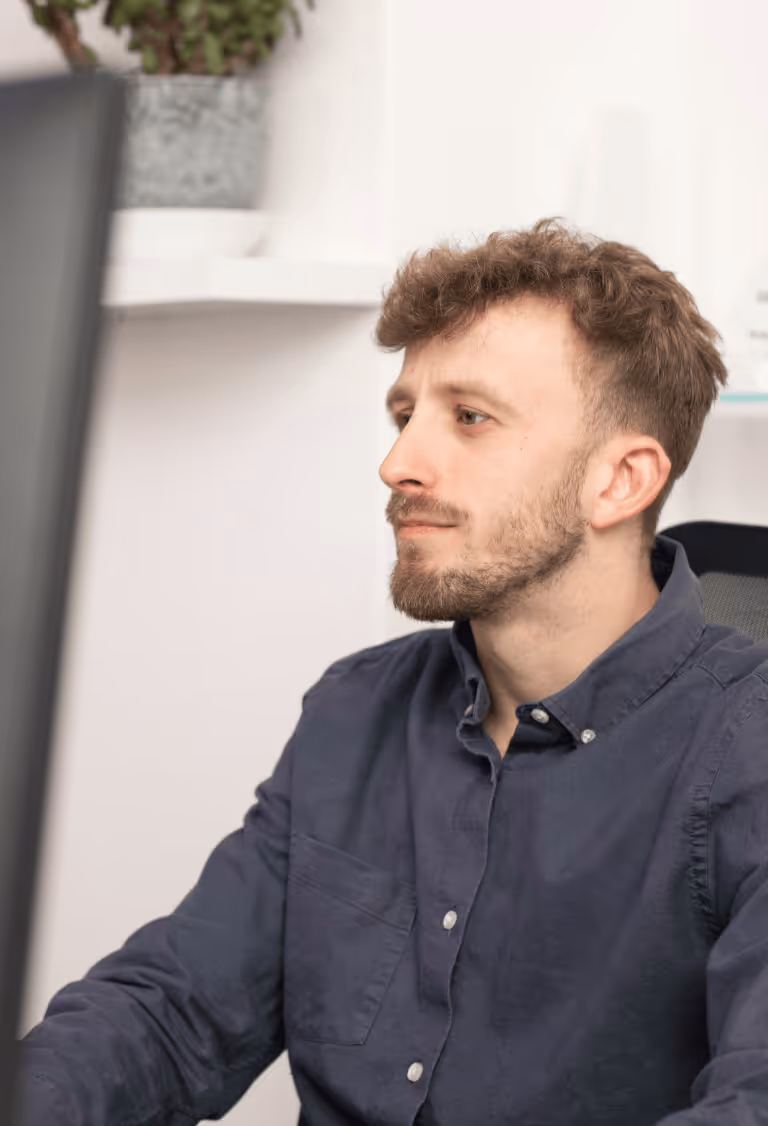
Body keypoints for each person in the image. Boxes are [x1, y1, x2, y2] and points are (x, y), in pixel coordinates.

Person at [16, 216, 768, 1126]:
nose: (398, 463)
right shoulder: (357, 709)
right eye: (406, 415)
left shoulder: (746, 750)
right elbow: (171, 1014)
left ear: (620, 481)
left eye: (470, 418)